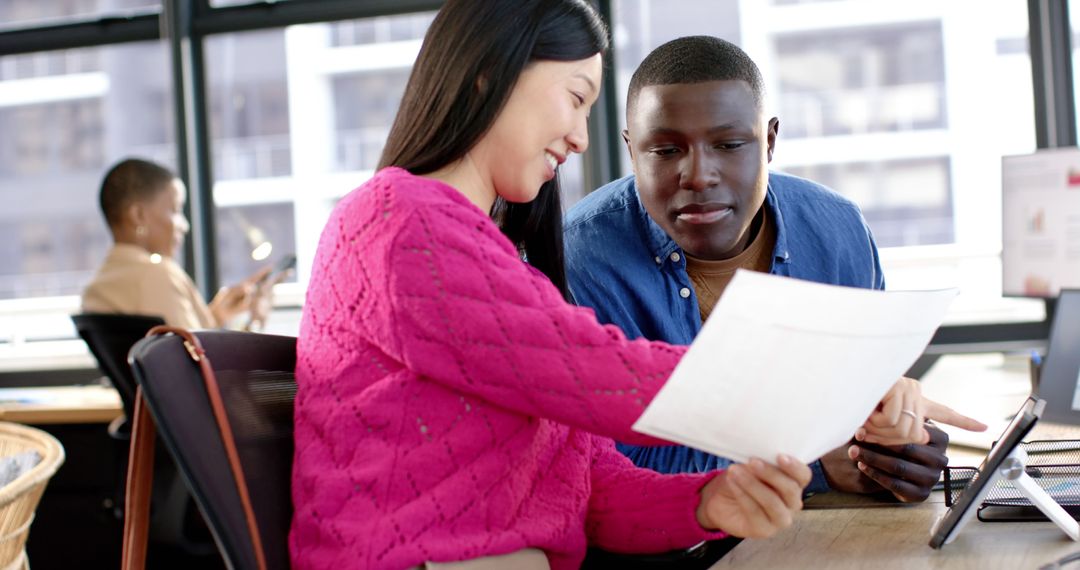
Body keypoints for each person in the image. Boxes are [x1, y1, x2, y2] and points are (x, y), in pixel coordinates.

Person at [290, 4, 979, 570]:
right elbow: (600, 373)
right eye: (575, 98)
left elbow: (588, 489)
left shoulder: (499, 264)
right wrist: (832, 391)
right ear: (486, 79)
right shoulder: (395, 222)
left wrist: (710, 501)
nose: (581, 139)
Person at [563, 35, 977, 502]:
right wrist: (813, 462)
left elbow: (862, 406)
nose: (699, 175)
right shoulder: (576, 259)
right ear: (631, 151)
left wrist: (898, 450)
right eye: (664, 151)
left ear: (770, 141)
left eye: (730, 143)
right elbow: (606, 465)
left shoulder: (838, 231)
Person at [82, 158, 276, 330]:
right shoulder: (159, 275)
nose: (185, 225)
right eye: (175, 210)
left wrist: (215, 317)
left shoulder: (96, 289)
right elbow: (202, 364)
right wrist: (254, 322)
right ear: (138, 215)